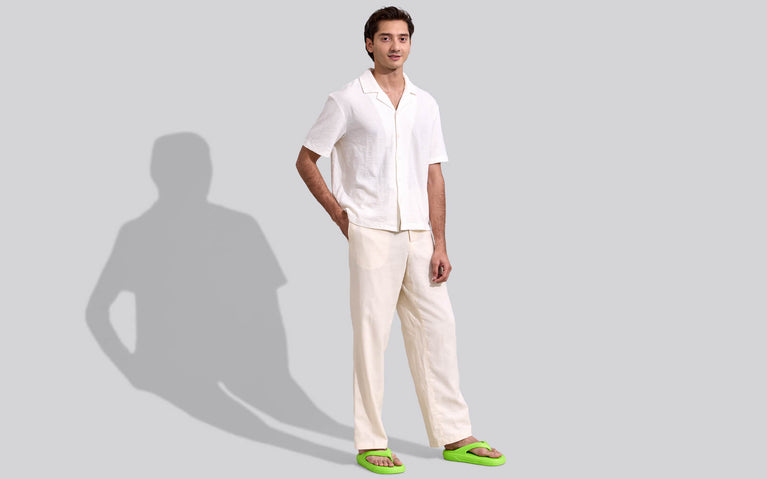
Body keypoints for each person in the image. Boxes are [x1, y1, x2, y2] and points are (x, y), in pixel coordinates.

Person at [295, 6, 505, 474]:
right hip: (370, 231)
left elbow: (433, 174)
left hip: (418, 234)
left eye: (403, 38)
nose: (395, 46)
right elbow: (306, 159)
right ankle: (371, 441)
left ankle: (455, 434)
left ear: (411, 43)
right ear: (369, 43)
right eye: (386, 38)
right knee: (372, 336)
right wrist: (341, 217)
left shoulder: (424, 103)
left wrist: (440, 242)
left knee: (438, 330)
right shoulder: (347, 99)